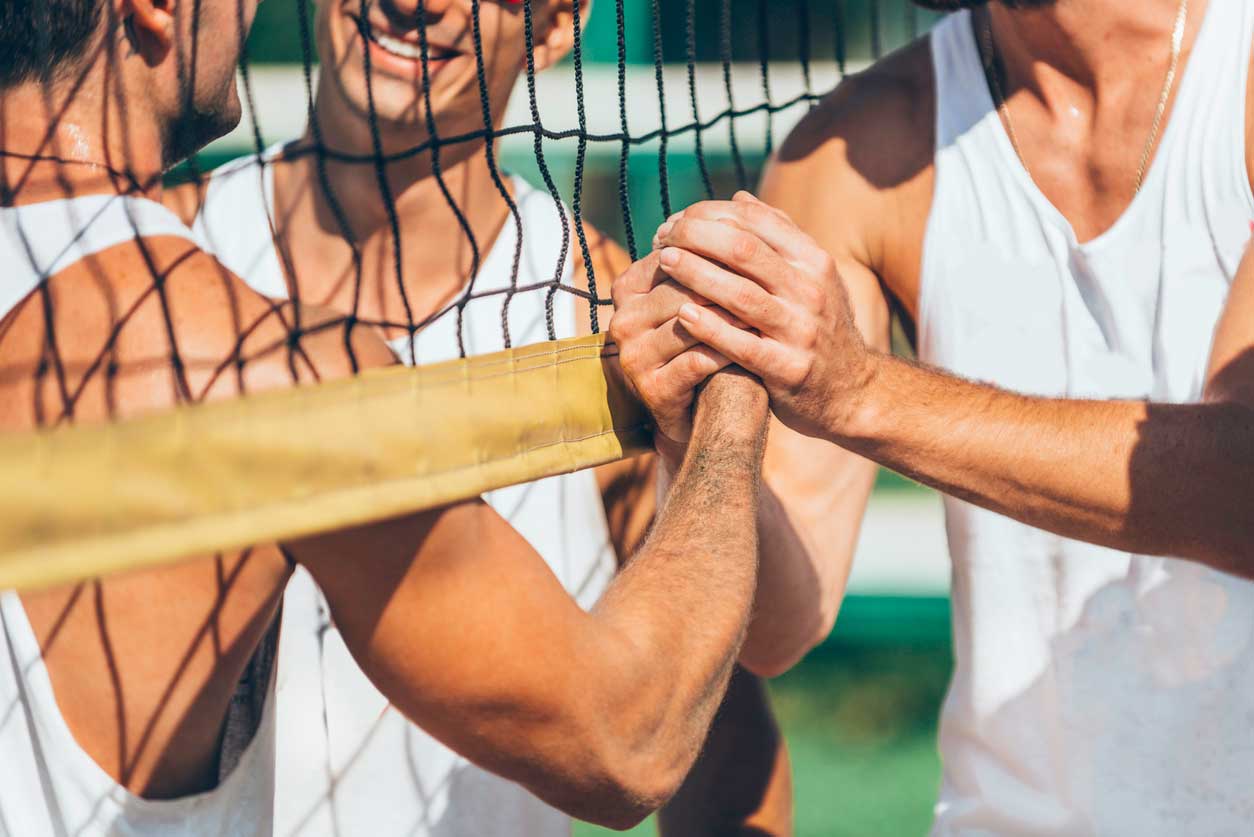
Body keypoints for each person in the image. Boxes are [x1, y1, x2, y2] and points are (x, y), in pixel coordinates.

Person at [0, 0, 776, 834]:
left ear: (557, 27)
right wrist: (734, 401)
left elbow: (728, 742)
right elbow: (629, 739)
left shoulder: (598, 300)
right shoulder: (269, 363)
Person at [613, 0, 1254, 831]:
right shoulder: (852, 148)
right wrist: (696, 431)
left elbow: (1240, 489)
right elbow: (778, 624)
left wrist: (861, 392)